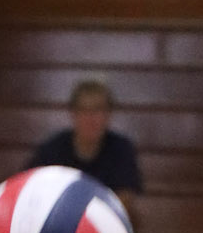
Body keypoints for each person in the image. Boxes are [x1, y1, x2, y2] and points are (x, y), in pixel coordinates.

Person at [31, 78, 143, 214]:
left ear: (108, 114)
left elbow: (125, 199)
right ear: (73, 114)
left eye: (97, 109)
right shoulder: (52, 149)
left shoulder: (122, 149)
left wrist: (90, 219)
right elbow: (33, 189)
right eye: (83, 110)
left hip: (106, 224)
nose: (90, 118)